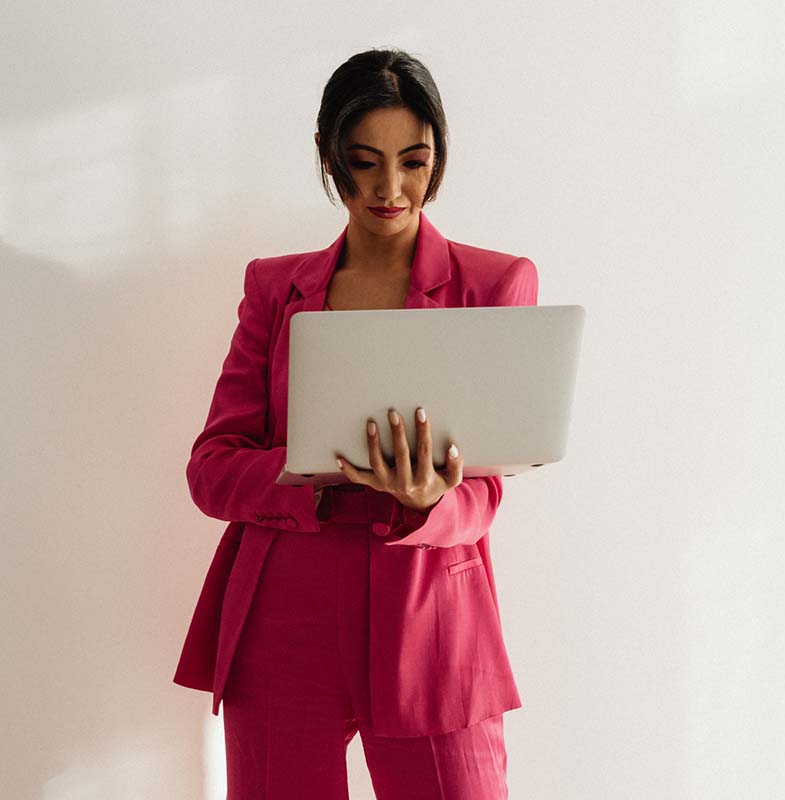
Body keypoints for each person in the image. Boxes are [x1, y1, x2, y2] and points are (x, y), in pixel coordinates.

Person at [173, 47, 539, 799]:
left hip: (430, 615)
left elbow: (488, 489)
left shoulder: (494, 284)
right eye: (364, 162)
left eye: (414, 162)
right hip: (283, 609)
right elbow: (212, 468)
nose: (389, 188)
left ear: (439, 154)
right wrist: (317, 473)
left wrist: (431, 499)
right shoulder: (275, 288)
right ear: (328, 154)